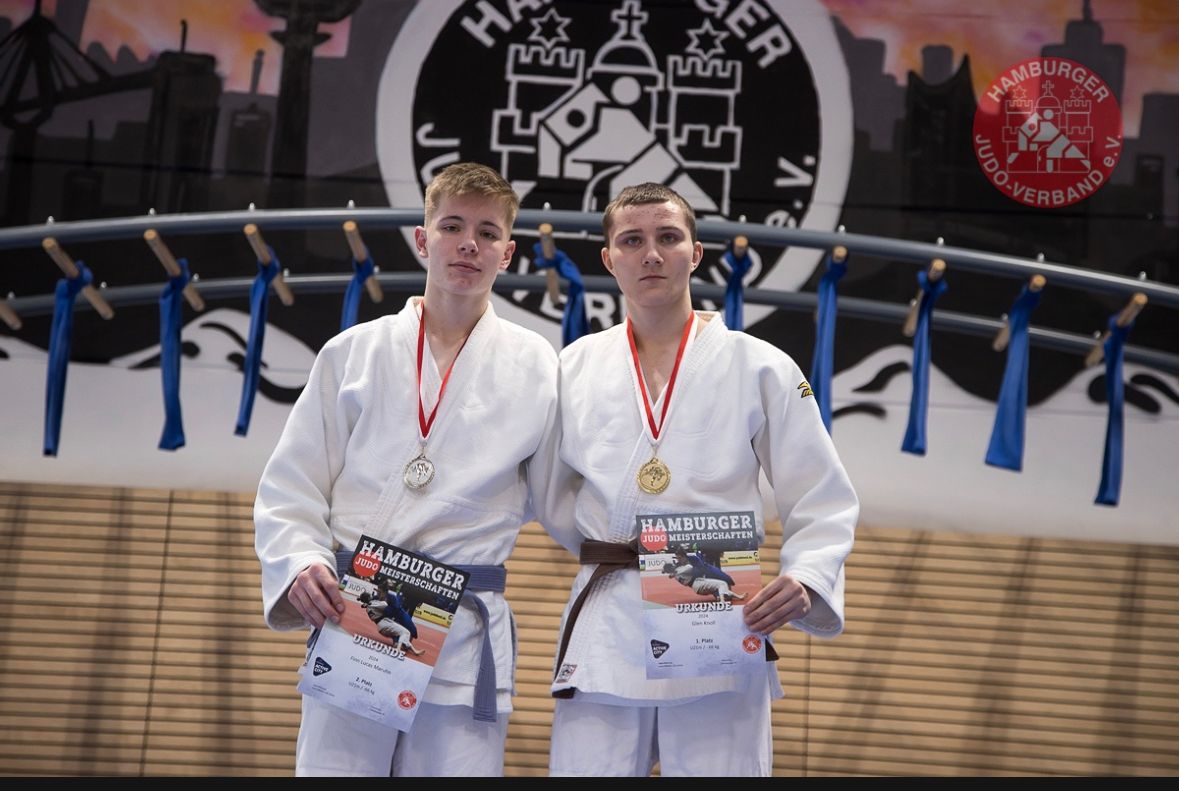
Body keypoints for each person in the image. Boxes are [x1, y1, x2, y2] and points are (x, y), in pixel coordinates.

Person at [533, 182, 858, 776]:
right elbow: (552, 494)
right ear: (610, 259)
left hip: (719, 616)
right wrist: (616, 549)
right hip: (609, 614)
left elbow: (820, 491)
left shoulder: (761, 364)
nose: (650, 254)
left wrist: (807, 575)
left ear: (695, 252)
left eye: (667, 238)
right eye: (632, 240)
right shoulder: (573, 366)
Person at [254, 162, 559, 777]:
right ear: (423, 239)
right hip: (358, 612)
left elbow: (558, 496)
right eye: (452, 226)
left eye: (488, 232)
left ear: (508, 253)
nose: (469, 243)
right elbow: (294, 483)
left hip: (463, 627)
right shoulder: (354, 353)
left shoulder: (537, 365)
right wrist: (302, 562)